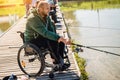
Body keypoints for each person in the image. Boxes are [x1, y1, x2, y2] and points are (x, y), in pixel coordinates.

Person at [24, 1, 70, 71]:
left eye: (49, 8)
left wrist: (60, 38)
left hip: (41, 36)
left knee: (60, 42)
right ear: (40, 9)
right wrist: (57, 38)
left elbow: (50, 29)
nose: (50, 10)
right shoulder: (33, 18)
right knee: (52, 41)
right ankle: (56, 63)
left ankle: (60, 62)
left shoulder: (46, 16)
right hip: (32, 40)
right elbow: (45, 33)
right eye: (47, 8)